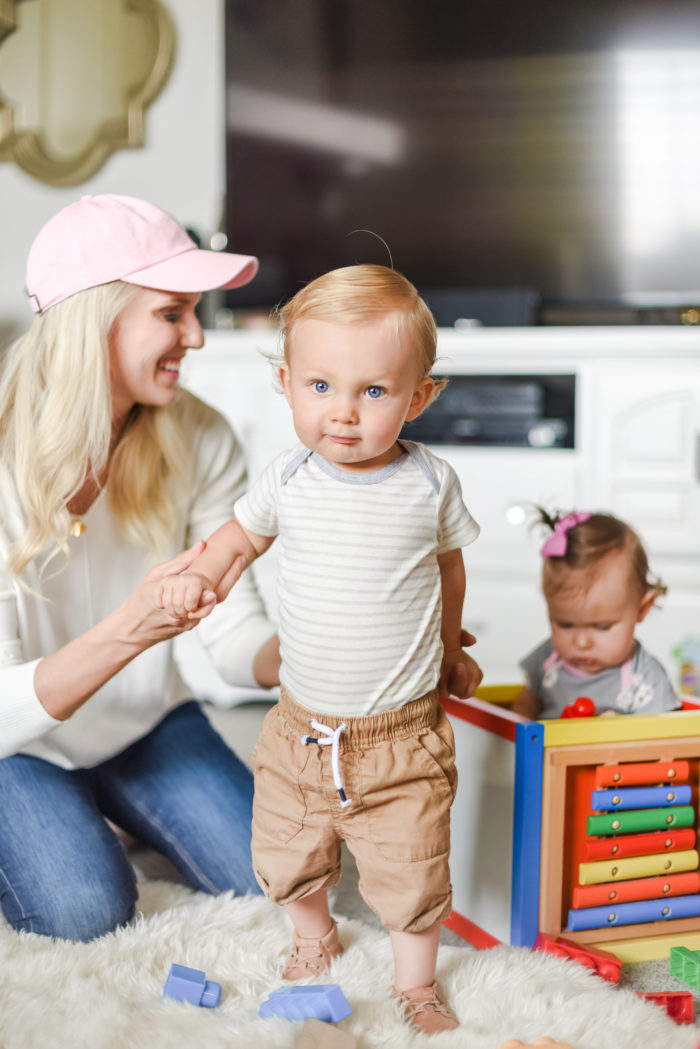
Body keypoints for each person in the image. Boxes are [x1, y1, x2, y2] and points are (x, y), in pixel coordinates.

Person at [160, 263, 483, 1035]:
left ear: (419, 396)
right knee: (286, 852)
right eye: (320, 387)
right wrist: (205, 569)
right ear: (285, 382)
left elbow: (448, 568)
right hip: (301, 729)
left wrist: (449, 648)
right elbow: (240, 537)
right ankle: (314, 934)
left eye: (373, 391)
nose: (342, 412)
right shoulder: (287, 480)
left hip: (401, 737)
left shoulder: (430, 484)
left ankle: (416, 985)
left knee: (412, 870)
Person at [0, 194, 281, 942]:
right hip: (15, 743)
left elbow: (231, 627)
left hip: (143, 721)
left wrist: (298, 656)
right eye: (172, 312)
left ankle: (109, 806)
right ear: (99, 315)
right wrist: (130, 628)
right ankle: (67, 813)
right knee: (84, 912)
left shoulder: (202, 436)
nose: (195, 335)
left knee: (278, 879)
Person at [511, 509, 680, 720]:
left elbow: (665, 742)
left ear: (641, 609)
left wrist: (616, 734)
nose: (582, 642)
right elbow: (526, 704)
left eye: (601, 626)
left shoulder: (645, 679)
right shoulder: (548, 658)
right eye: (565, 624)